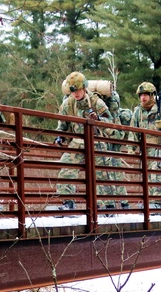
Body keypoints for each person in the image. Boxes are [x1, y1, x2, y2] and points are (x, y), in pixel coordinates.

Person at [54, 72, 128, 211]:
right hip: (77, 142)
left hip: (96, 142)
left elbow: (109, 122)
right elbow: (62, 125)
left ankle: (108, 206)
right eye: (72, 90)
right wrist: (60, 136)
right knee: (66, 171)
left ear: (84, 88)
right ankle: (67, 203)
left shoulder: (96, 102)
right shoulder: (68, 103)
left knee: (103, 175)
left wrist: (98, 120)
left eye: (78, 89)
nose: (76, 93)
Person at [129, 82, 161, 208]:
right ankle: (150, 201)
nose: (143, 97)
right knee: (147, 176)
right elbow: (133, 131)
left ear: (152, 95)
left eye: (146, 94)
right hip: (146, 149)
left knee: (160, 175)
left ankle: (158, 202)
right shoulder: (137, 112)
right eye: (141, 95)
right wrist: (131, 148)